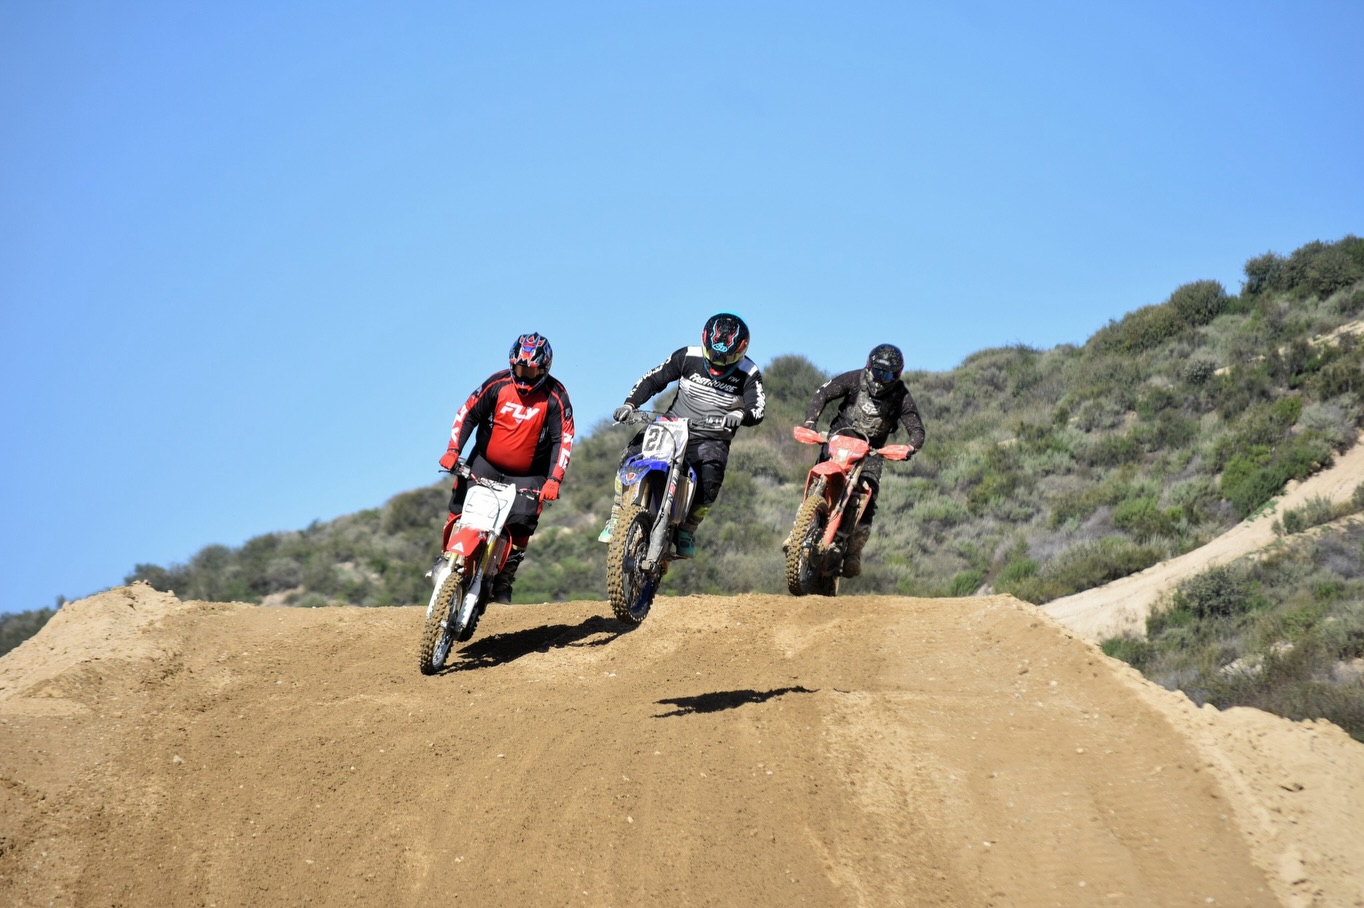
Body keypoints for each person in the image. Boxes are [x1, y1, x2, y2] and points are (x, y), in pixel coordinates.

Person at [599, 312, 766, 558]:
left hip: (712, 436)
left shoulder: (749, 372)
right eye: (714, 353)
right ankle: (616, 514)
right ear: (704, 341)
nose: (719, 361)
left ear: (741, 350)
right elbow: (654, 378)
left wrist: (741, 416)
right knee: (631, 455)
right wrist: (630, 404)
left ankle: (687, 528)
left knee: (710, 479)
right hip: (673, 425)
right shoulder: (688, 356)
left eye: (727, 356)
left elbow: (758, 408)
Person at [433, 332, 575, 603]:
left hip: (529, 475)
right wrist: (453, 450)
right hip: (484, 463)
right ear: (512, 364)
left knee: (521, 524)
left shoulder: (556, 397)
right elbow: (468, 413)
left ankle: (505, 577)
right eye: (520, 369)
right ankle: (445, 557)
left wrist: (554, 479)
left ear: (544, 370)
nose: (524, 377)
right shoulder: (497, 384)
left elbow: (563, 439)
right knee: (459, 506)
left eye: (532, 372)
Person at [798, 343, 925, 577]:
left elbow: (917, 429)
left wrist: (909, 447)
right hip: (839, 437)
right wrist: (810, 423)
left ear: (897, 375)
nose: (880, 378)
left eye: (887, 374)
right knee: (819, 474)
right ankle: (801, 523)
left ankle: (854, 550)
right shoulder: (854, 379)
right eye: (877, 372)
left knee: (869, 492)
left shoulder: (901, 396)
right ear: (868, 366)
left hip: (872, 451)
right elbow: (823, 393)